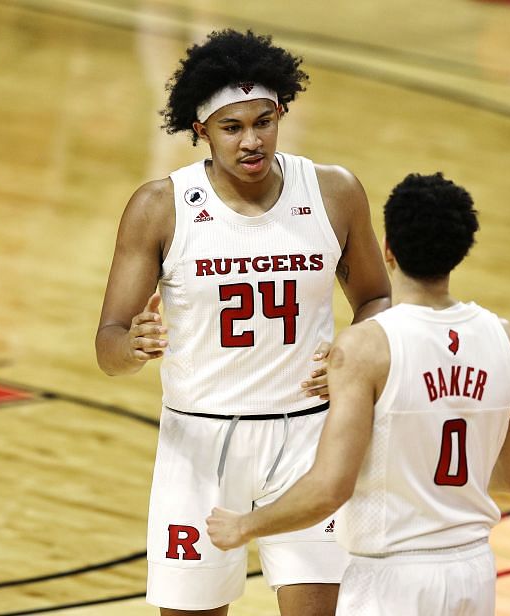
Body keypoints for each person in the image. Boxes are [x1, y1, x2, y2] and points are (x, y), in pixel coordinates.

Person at [95, 29, 391, 616]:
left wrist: (350, 358)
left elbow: (377, 299)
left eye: (265, 121)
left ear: (281, 112)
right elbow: (108, 343)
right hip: (199, 444)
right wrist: (134, 345)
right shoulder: (160, 206)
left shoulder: (333, 192)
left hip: (310, 437)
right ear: (200, 131)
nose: (252, 141)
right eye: (233, 127)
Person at [206, 172, 510, 615]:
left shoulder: (366, 348)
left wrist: (245, 526)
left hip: (392, 579)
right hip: (473, 574)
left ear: (387, 250)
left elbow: (329, 488)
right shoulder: (507, 341)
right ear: (461, 251)